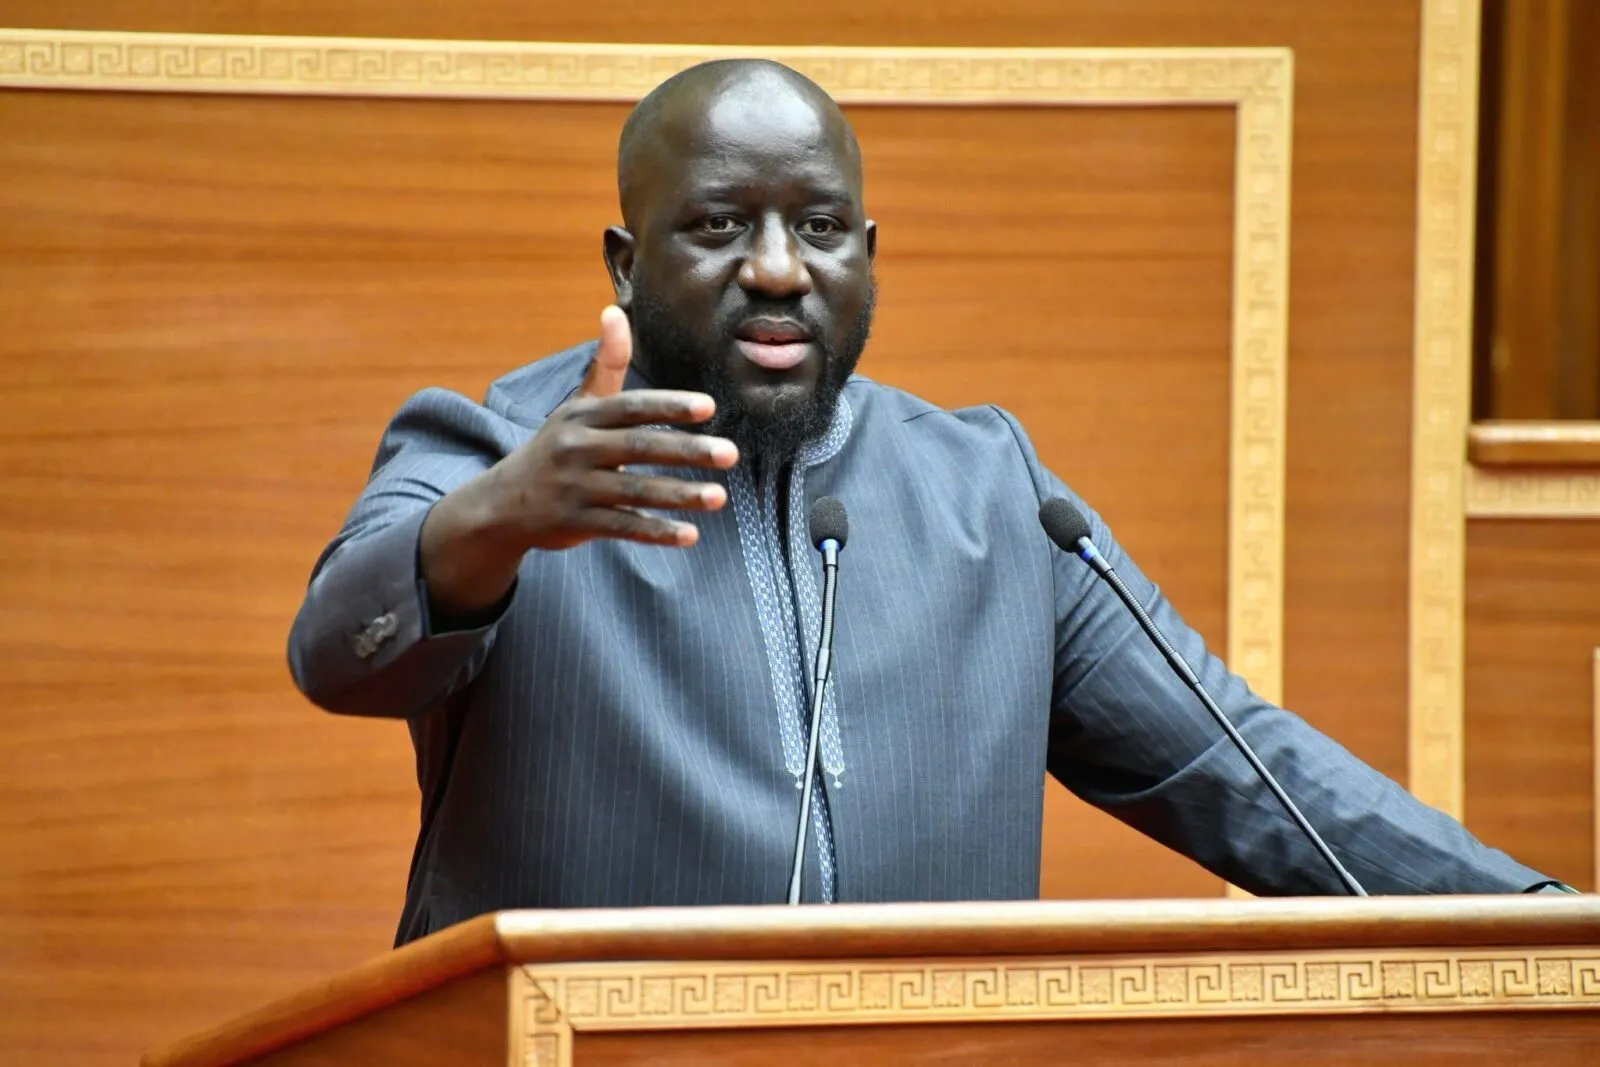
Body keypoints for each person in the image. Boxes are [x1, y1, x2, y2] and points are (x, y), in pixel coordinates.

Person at [287, 59, 1570, 947]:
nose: (777, 269)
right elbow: (338, 652)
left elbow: (1242, 770)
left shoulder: (990, 494)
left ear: (867, 254)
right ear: (628, 262)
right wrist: (500, 516)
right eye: (720, 224)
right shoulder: (505, 448)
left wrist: (1546, 924)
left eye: (820, 227)